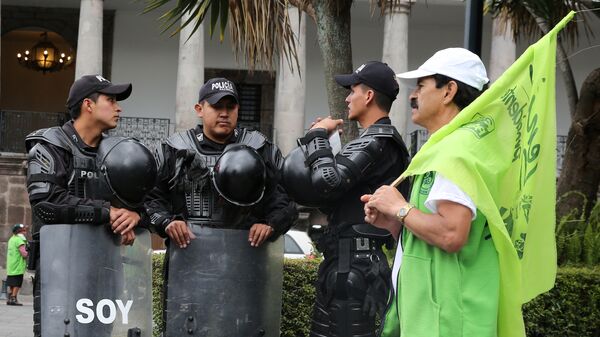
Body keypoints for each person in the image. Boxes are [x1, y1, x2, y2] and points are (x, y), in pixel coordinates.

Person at [145, 77, 297, 335]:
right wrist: (167, 222)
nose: (224, 113)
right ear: (199, 109)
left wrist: (270, 224)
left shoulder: (260, 148)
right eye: (217, 106)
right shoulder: (175, 150)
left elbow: (286, 198)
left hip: (245, 266)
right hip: (188, 266)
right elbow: (150, 197)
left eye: (231, 106)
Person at [361, 48, 494, 337]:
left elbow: (451, 234)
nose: (412, 95)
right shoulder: (443, 148)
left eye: (421, 85)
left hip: (450, 323)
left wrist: (401, 209)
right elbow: (433, 234)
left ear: (449, 92)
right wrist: (395, 224)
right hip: (432, 321)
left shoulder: (457, 150)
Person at [282, 61, 410, 337]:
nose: (347, 98)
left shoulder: (378, 140)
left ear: (369, 96)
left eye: (352, 90)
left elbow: (328, 182)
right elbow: (331, 200)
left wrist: (317, 136)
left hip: (356, 268)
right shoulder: (373, 141)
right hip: (346, 261)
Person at [25, 75, 150, 337]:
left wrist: (135, 216)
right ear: (88, 105)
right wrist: (107, 212)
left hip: (106, 274)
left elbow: (152, 203)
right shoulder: (50, 146)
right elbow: (47, 204)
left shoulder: (119, 154)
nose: (119, 107)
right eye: (111, 100)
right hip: (59, 274)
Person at [5, 223, 28, 306]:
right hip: (18, 265)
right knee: (17, 282)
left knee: (11, 282)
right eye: (24, 231)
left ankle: (10, 298)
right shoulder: (19, 240)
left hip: (11, 264)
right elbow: (24, 254)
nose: (25, 232)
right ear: (19, 231)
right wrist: (29, 253)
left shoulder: (11, 239)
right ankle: (14, 298)